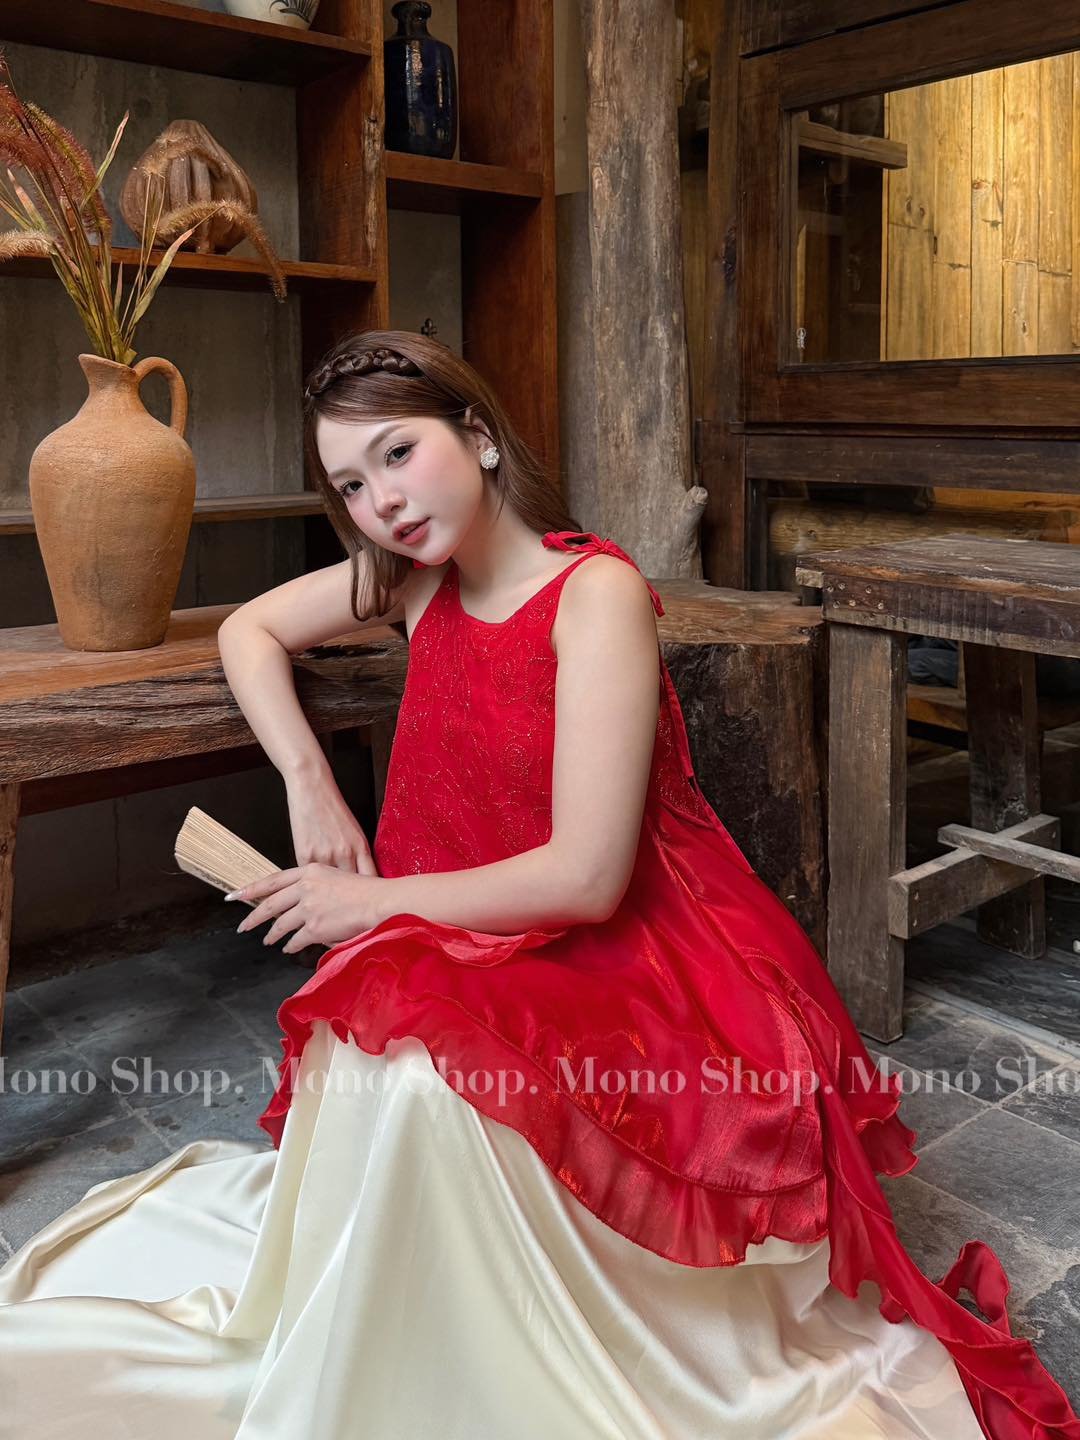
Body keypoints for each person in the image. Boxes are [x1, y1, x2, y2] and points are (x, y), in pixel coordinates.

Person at [0, 329, 1076, 1440]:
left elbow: (588, 879)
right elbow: (251, 629)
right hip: (467, 927)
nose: (382, 501)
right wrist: (309, 784)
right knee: (373, 1046)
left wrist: (367, 903)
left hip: (627, 948)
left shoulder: (593, 592)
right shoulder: (412, 581)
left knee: (420, 1076)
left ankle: (519, 1337)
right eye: (351, 485)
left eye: (398, 453)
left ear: (478, 435)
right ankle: (410, 1324)